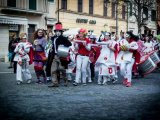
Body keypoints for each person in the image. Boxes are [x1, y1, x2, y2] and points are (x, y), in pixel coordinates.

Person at [48, 22, 72, 87]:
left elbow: (69, 44)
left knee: (62, 69)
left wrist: (63, 45)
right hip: (54, 55)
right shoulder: (53, 38)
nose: (58, 32)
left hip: (61, 56)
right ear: (55, 32)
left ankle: (65, 80)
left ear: (61, 32)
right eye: (57, 31)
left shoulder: (63, 38)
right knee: (53, 70)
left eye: (59, 31)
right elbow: (51, 45)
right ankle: (55, 83)